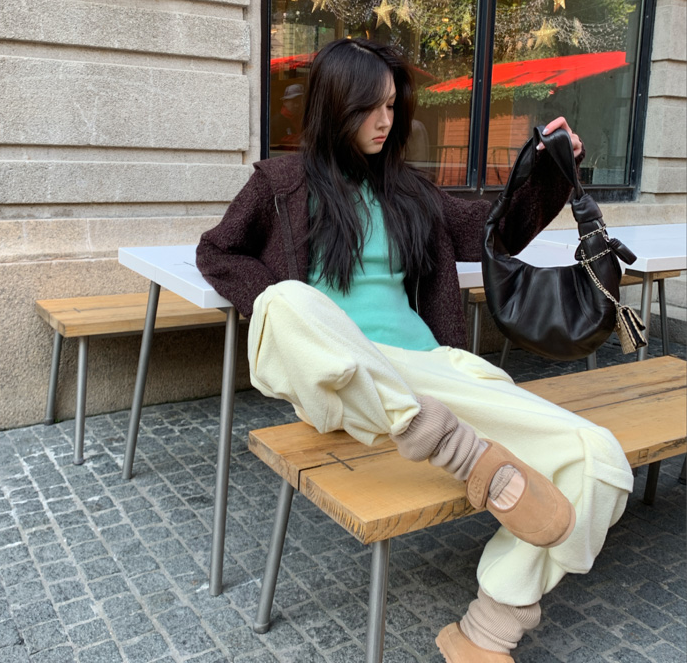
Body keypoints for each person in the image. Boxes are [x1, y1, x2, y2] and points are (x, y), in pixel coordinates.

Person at [197, 38, 633, 662]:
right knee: (286, 301)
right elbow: (217, 251)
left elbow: (492, 233)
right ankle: (461, 451)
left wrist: (550, 170)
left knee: (601, 460)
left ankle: (487, 631)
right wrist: (268, 296)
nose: (385, 121)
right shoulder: (282, 184)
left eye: (392, 106)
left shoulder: (406, 190)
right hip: (346, 381)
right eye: (369, 108)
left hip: (432, 373)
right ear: (333, 107)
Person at [269, 83, 305, 149]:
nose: (297, 105)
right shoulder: (277, 121)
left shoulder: (301, 119)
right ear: (285, 102)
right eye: (294, 101)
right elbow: (281, 143)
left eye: (299, 101)